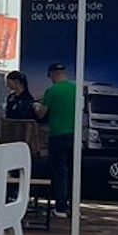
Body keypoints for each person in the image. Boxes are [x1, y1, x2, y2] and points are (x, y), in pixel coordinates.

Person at [39, 62, 79, 218]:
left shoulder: (52, 91)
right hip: (74, 135)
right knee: (72, 171)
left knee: (60, 172)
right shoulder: (75, 89)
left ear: (52, 74)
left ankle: (60, 208)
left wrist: (36, 107)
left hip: (57, 135)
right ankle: (73, 207)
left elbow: (42, 113)